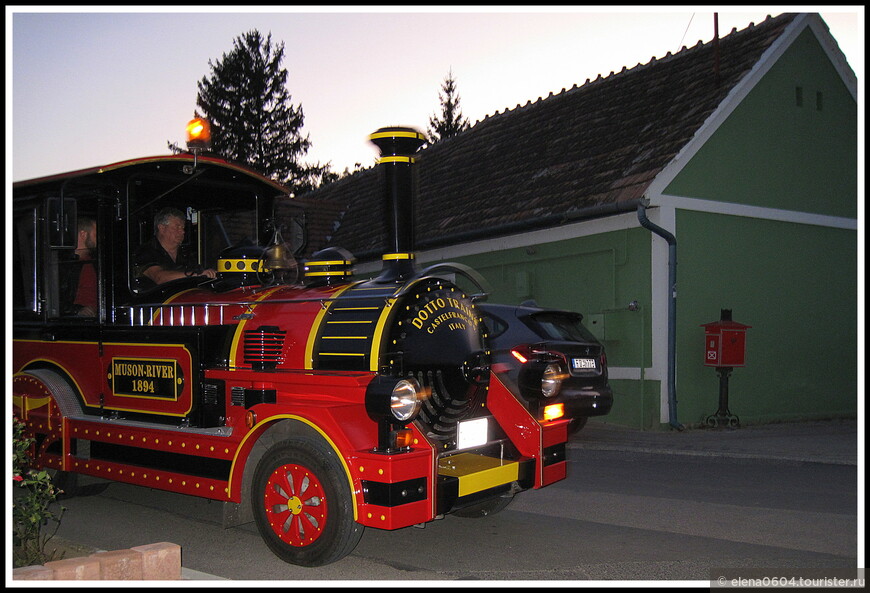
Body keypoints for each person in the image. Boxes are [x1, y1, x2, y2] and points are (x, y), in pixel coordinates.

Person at [133, 207, 216, 286]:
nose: (183, 232)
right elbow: (159, 278)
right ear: (162, 228)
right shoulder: (145, 251)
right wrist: (197, 275)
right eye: (177, 227)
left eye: (183, 228)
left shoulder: (186, 253)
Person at [68, 216, 98, 316]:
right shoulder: (66, 264)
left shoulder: (95, 261)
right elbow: (58, 300)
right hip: (77, 322)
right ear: (83, 234)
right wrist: (77, 310)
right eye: (95, 234)